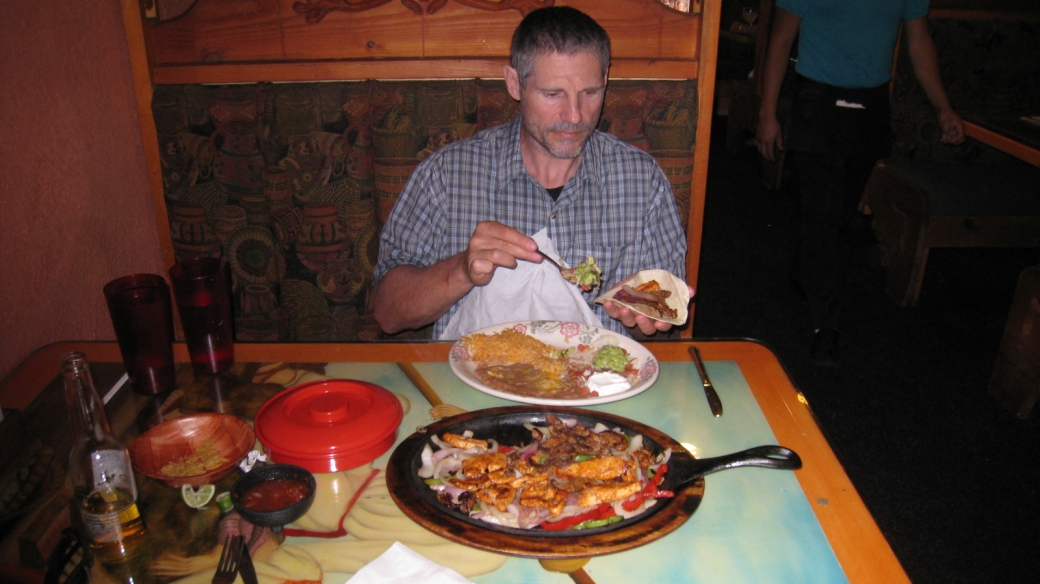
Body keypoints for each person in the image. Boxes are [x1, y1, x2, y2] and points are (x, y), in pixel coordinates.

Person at [372, 6, 689, 339]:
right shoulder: (446, 175)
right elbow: (387, 313)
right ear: (514, 83)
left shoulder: (642, 180)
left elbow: (662, 323)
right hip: (470, 384)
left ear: (606, 78)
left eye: (590, 93)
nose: (575, 115)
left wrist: (643, 313)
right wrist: (461, 269)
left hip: (600, 386)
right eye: (553, 94)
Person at [755, 0, 964, 364]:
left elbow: (919, 42)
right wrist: (767, 113)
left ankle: (806, 270)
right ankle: (825, 325)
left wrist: (943, 107)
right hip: (816, 101)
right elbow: (781, 39)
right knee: (823, 215)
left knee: (838, 215)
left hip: (871, 104)